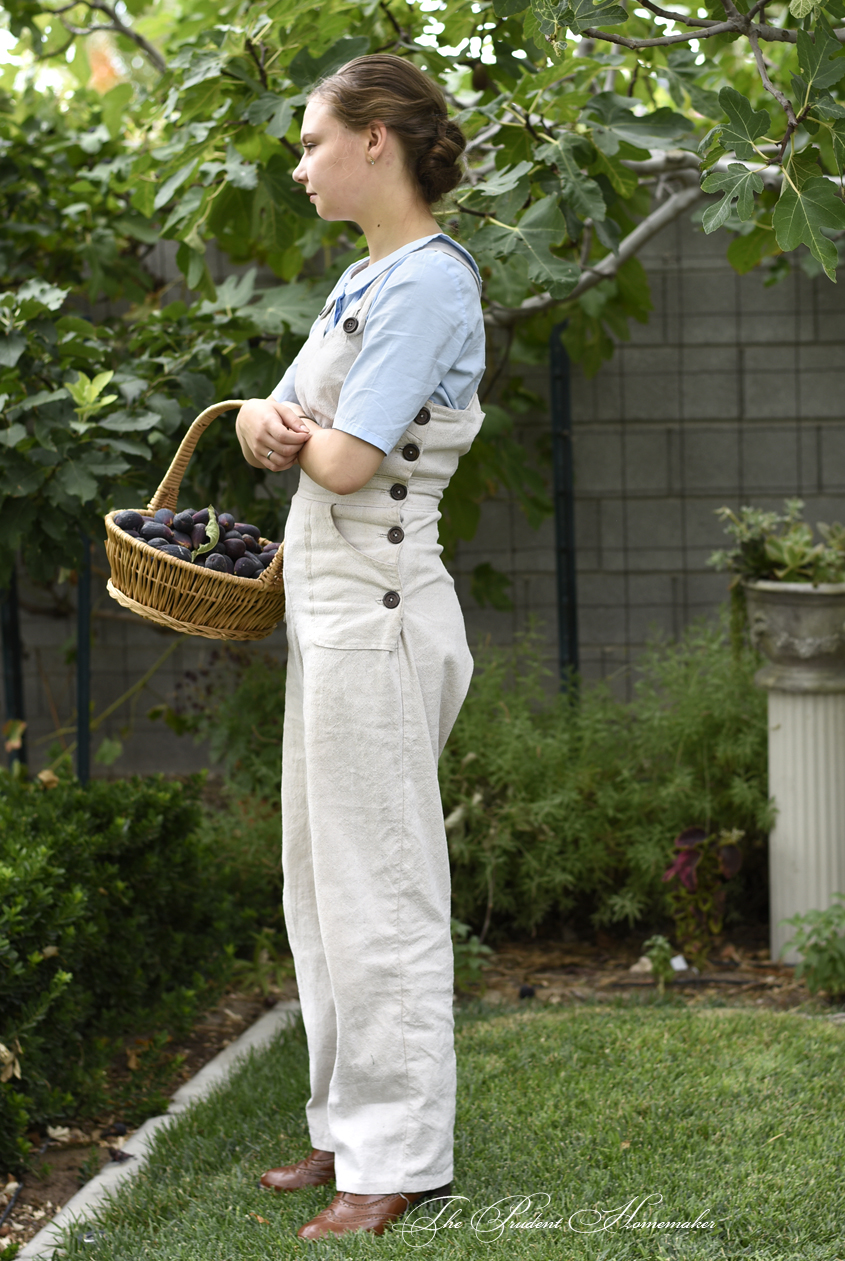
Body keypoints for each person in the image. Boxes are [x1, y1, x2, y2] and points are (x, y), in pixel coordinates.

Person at [234, 53, 486, 1242]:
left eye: (312, 142)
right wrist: (259, 419)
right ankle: (347, 1126)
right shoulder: (363, 282)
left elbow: (335, 460)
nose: (299, 165)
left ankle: (400, 1159)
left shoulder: (429, 286)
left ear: (375, 140)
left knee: (379, 889)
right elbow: (266, 426)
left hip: (380, 617)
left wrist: (293, 430)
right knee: (322, 884)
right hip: (330, 618)